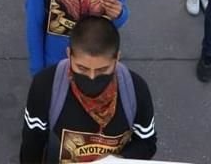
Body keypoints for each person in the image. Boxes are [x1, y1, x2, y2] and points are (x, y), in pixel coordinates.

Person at [19, 16, 157, 162]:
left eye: (102, 69)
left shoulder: (135, 89)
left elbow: (147, 142)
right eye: (82, 68)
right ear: (69, 54)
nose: (91, 77)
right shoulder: (46, 85)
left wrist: (120, 159)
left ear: (117, 58)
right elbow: (32, 142)